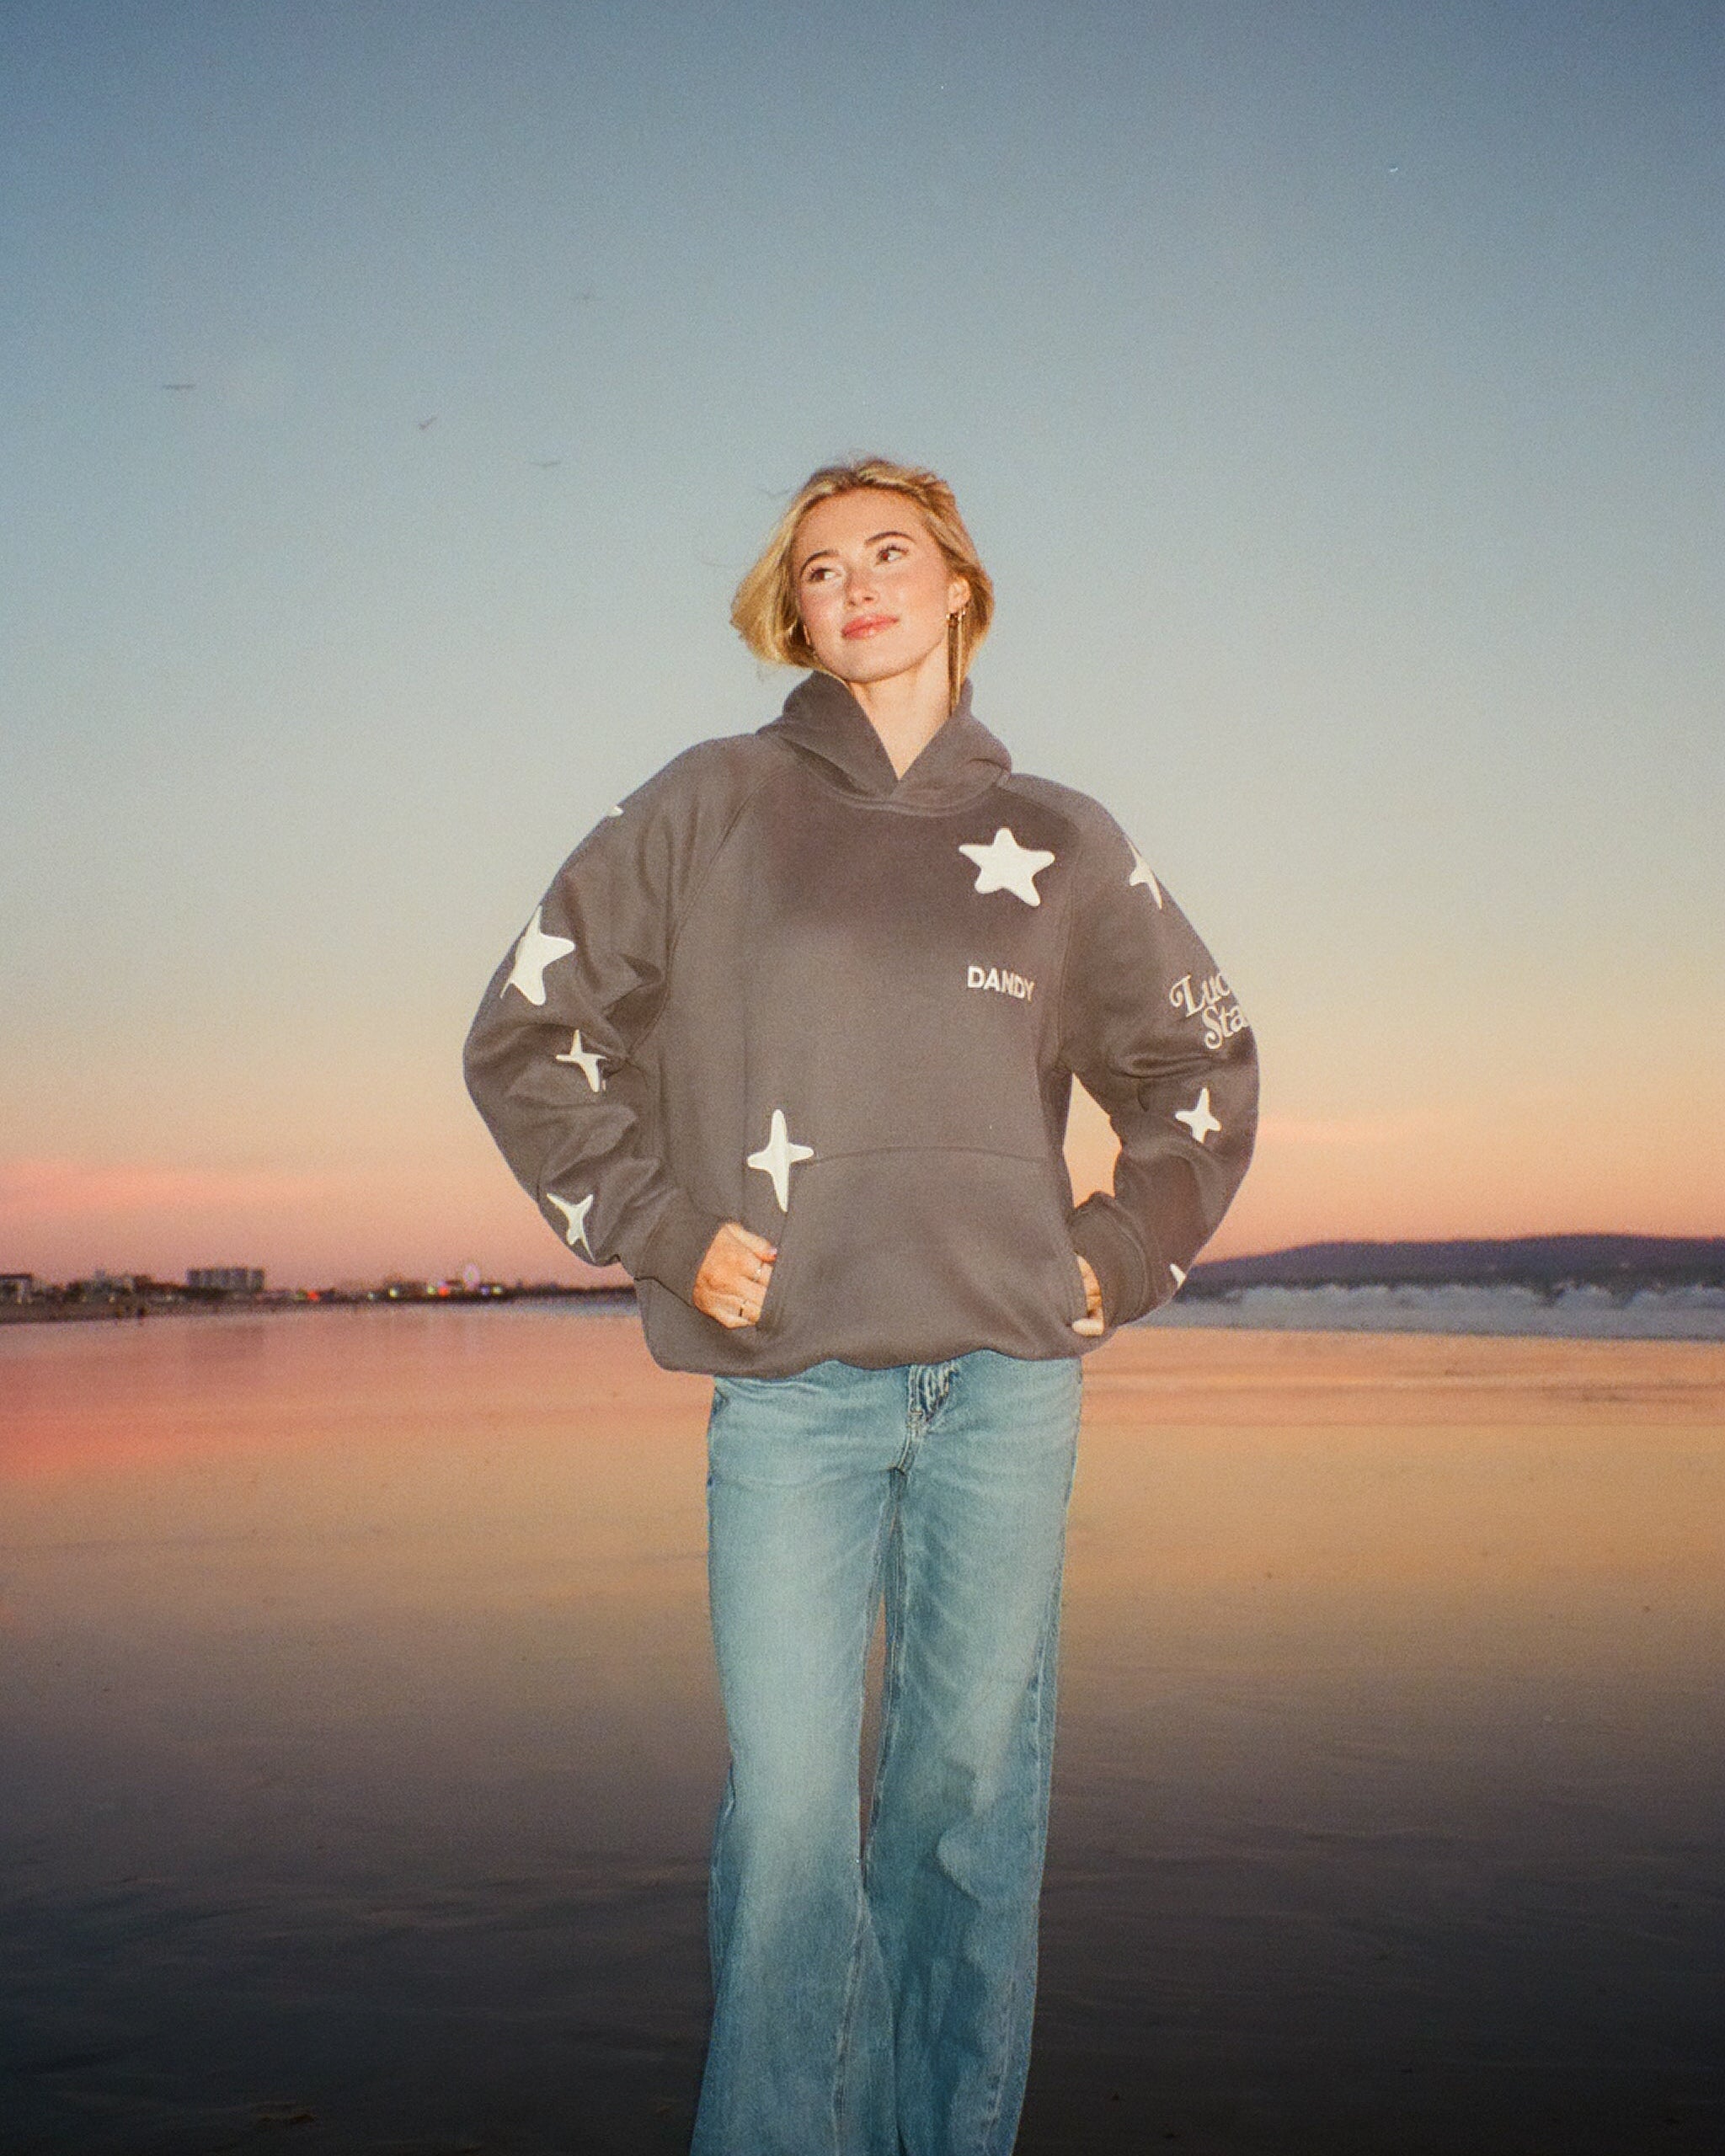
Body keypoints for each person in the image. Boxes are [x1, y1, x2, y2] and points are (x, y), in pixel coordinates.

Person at [463, 457, 1258, 2154]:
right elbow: (529, 1037)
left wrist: (1111, 1257)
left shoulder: (1060, 838)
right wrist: (664, 1225)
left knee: (969, 1814)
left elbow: (1197, 1061)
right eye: (821, 571)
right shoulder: (714, 802)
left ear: (959, 583)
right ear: (797, 616)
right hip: (794, 1390)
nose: (857, 587)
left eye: (889, 554)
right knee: (795, 1838)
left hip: (1004, 1391)